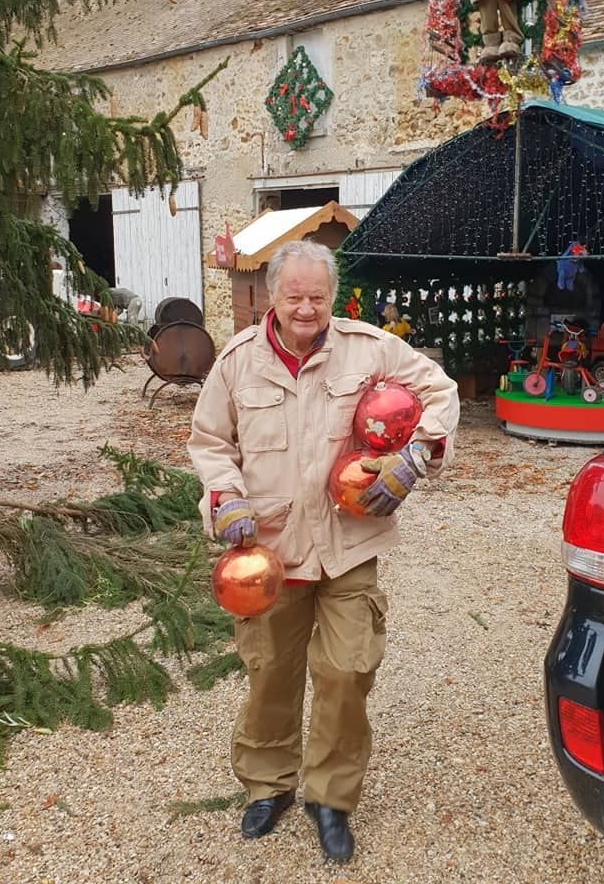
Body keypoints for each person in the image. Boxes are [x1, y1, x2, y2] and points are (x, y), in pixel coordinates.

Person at [187, 239, 460, 863]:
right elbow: (210, 443)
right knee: (268, 672)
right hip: (269, 551)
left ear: (332, 297)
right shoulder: (236, 362)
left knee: (346, 672)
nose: (305, 308)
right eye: (294, 296)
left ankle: (331, 799)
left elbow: (440, 393)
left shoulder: (371, 350)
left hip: (347, 545)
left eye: (317, 296)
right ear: (270, 296)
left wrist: (415, 457)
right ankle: (267, 785)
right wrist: (224, 498)